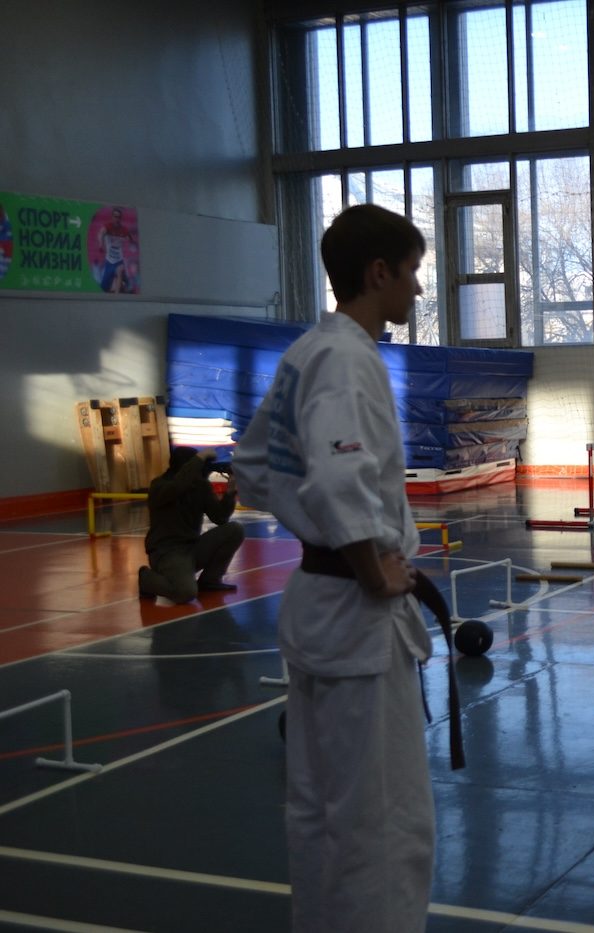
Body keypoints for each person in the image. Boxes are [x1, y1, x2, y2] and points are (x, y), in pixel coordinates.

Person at [232, 204, 435, 932]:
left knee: (319, 806)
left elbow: (254, 464)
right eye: (412, 271)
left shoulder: (307, 351)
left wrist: (315, 535)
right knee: (381, 817)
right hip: (356, 609)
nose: (417, 287)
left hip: (320, 599)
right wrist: (371, 567)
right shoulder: (347, 358)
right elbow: (339, 478)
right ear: (378, 273)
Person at [137, 446, 244, 603]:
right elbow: (178, 485)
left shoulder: (200, 487)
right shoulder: (159, 486)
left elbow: (220, 517)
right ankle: (145, 579)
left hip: (192, 548)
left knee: (235, 530)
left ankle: (210, 580)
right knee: (185, 592)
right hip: (167, 552)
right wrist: (200, 458)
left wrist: (230, 493)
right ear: (188, 467)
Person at [96, 206, 136, 293]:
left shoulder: (124, 229)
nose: (117, 219)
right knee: (104, 287)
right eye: (115, 216)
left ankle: (117, 294)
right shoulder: (108, 226)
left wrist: (130, 242)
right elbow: (101, 233)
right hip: (109, 262)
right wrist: (101, 244)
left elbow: (130, 237)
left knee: (120, 272)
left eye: (118, 217)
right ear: (112, 217)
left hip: (119, 261)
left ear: (120, 218)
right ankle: (119, 287)